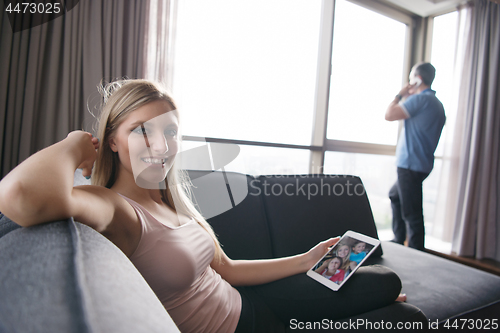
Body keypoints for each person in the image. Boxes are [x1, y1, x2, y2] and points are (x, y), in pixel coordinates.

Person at [0, 79, 409, 332]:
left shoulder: (170, 199)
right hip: (244, 326)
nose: (162, 146)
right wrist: (73, 144)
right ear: (111, 139)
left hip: (255, 302)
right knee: (392, 305)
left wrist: (305, 259)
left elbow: (226, 270)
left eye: (171, 131)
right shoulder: (113, 207)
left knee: (382, 282)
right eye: (142, 131)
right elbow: (19, 198)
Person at [385, 62, 446, 251]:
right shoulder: (437, 104)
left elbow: (389, 114)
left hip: (410, 165)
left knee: (412, 215)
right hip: (421, 165)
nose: (409, 83)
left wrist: (400, 94)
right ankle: (399, 239)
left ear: (418, 80)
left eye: (411, 79)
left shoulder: (421, 100)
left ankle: (416, 255)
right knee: (395, 195)